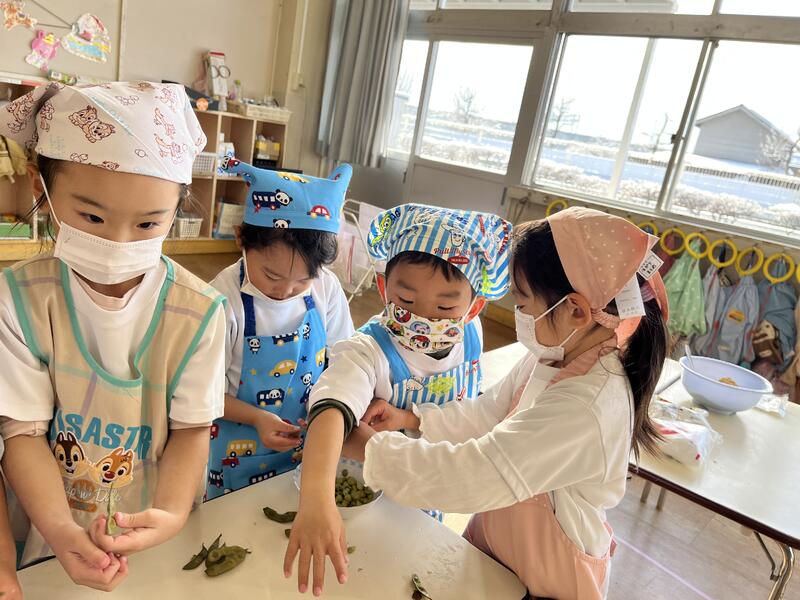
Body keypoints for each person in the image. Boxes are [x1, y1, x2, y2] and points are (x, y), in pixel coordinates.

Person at [343, 207, 670, 599]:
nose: (519, 313)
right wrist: (412, 418)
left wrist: (369, 448)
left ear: (576, 310)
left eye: (522, 301)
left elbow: (473, 476)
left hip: (550, 577)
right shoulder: (555, 354)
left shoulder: (588, 406)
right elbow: (490, 412)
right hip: (500, 548)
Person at [0, 81, 225, 591]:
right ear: (40, 189)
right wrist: (60, 530)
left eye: (147, 224)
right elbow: (22, 433)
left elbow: (191, 430)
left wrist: (171, 513)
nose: (118, 243)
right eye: (92, 217)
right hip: (48, 535)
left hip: (154, 532)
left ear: (178, 207)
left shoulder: (199, 313)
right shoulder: (18, 300)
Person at [284, 203, 512, 596]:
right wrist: (316, 498)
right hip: (371, 504)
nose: (424, 318)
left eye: (445, 307)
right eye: (406, 300)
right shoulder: (368, 350)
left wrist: (410, 418)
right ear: (383, 287)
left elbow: (471, 411)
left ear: (474, 307)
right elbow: (332, 405)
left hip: (429, 495)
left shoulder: (471, 336)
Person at [206, 159, 355, 498]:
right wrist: (257, 419)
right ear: (241, 238)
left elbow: (344, 361)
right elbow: (203, 392)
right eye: (272, 275)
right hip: (237, 450)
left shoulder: (326, 288)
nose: (286, 290)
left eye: (304, 280)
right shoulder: (222, 300)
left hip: (310, 444)